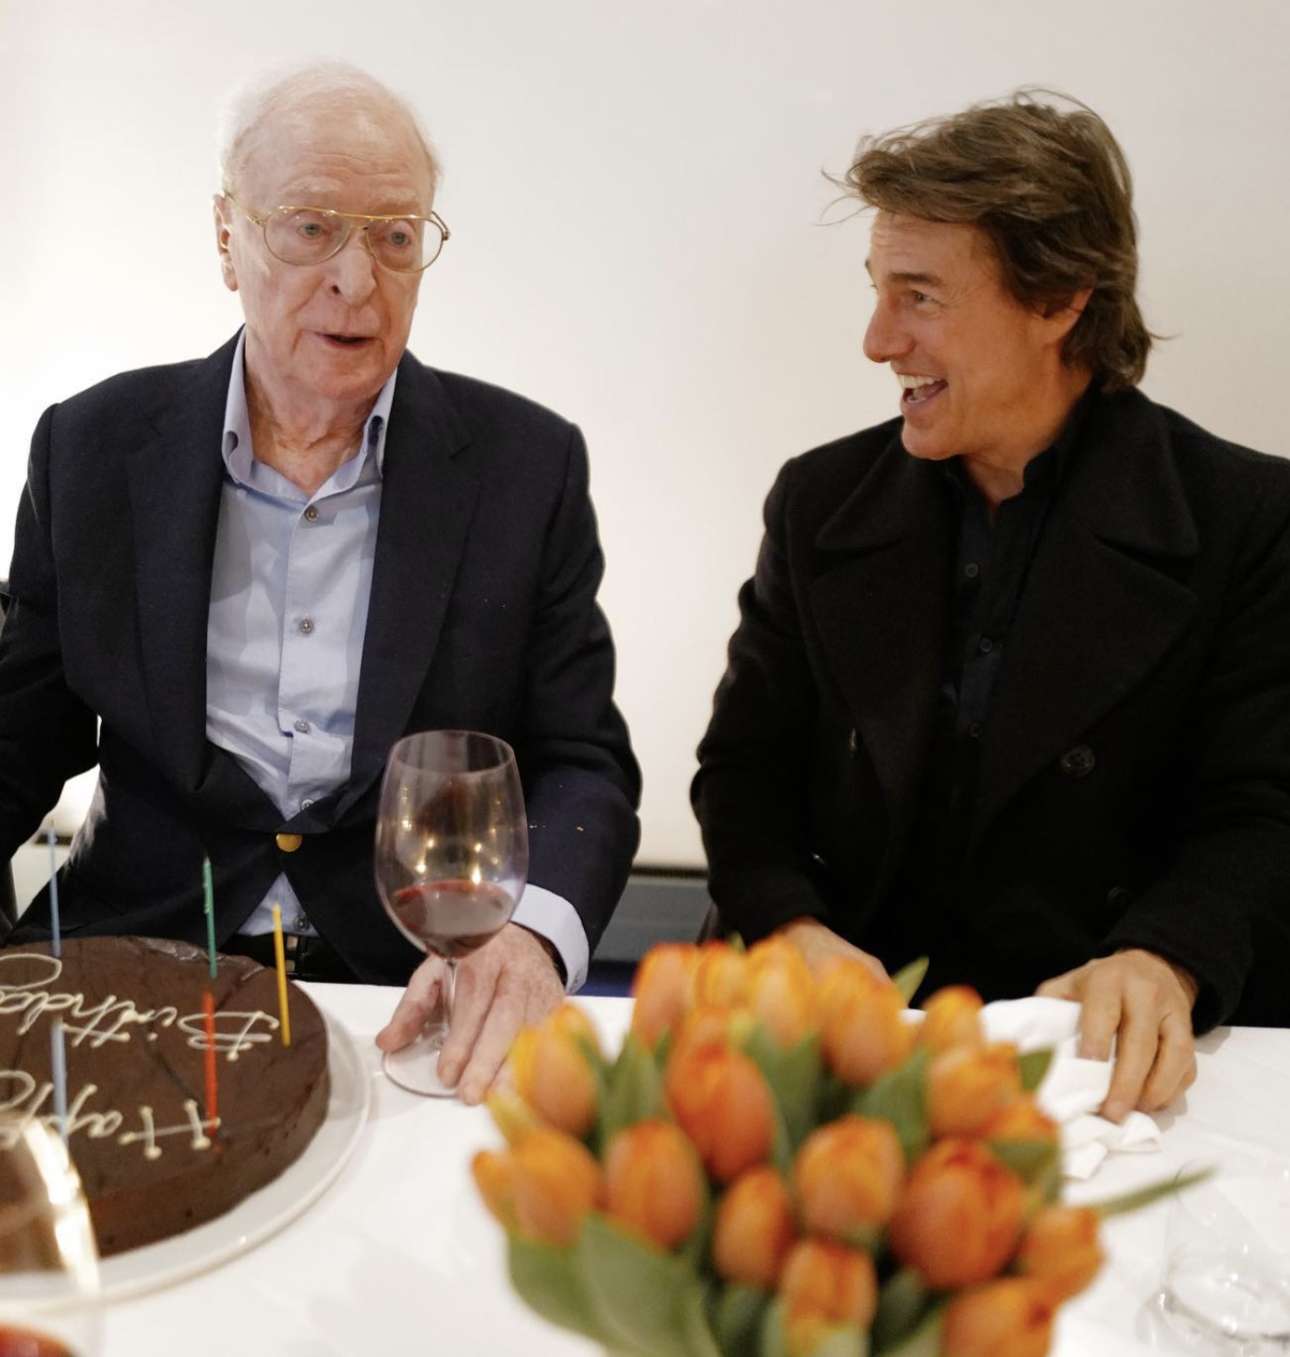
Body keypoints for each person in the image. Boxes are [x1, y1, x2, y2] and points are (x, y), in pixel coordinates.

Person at [0, 62, 640, 1103]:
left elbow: (583, 761)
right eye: (310, 228)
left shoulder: (526, 467)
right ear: (226, 237)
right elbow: (20, 735)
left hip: (417, 973)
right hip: (139, 950)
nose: (357, 279)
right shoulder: (91, 449)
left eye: (395, 236)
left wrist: (530, 937)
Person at [693, 90, 1290, 1122]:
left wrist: (1164, 956)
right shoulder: (818, 501)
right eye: (878, 292)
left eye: (919, 297)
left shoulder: (1248, 518)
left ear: (1059, 299)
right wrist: (792, 931)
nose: (878, 340)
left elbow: (1262, 811)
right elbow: (745, 773)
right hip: (847, 1051)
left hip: (1097, 1064)